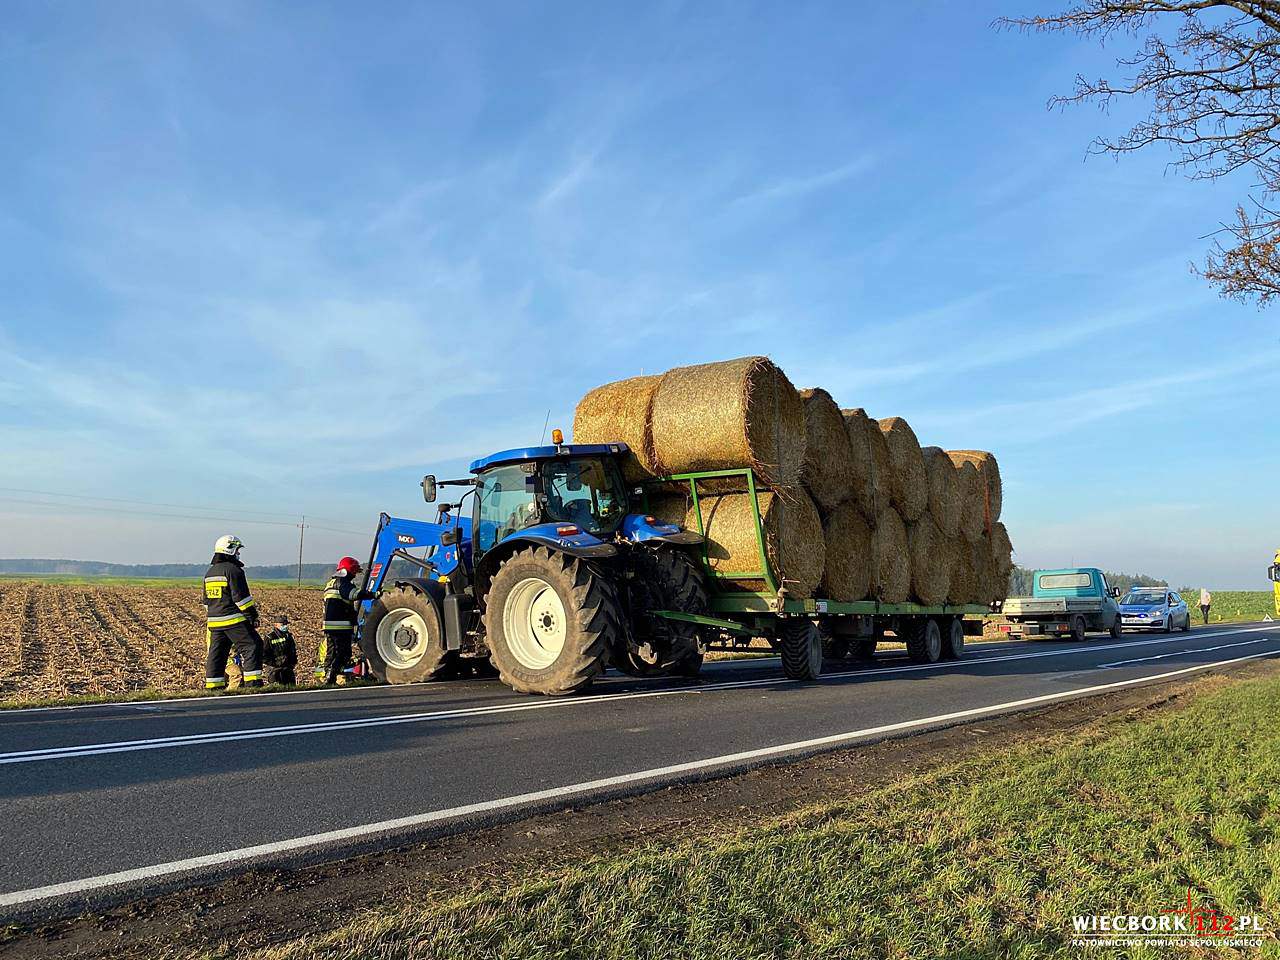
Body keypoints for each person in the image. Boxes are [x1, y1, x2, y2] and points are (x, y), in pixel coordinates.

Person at [203, 535, 264, 690]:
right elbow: (242, 599)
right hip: (233, 620)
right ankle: (253, 684)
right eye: (237, 550)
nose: (238, 554)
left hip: (214, 622)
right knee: (252, 645)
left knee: (217, 654)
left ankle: (213, 687)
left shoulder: (209, 573)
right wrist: (252, 617)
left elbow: (206, 602)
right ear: (230, 550)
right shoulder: (234, 571)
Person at [321, 556, 365, 685]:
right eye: (354, 572)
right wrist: (371, 594)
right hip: (340, 626)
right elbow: (353, 594)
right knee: (341, 653)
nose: (355, 575)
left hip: (331, 626)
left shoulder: (332, 582)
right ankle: (330, 678)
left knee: (333, 652)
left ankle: (330, 678)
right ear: (349, 570)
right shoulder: (342, 582)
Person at [262, 613, 298, 686]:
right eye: (282, 624)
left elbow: (292, 651)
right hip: (274, 669)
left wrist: (292, 662)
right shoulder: (270, 637)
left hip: (288, 668)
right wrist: (274, 663)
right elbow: (264, 655)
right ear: (276, 625)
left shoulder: (288, 636)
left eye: (286, 624)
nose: (285, 626)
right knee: (276, 690)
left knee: (291, 689)